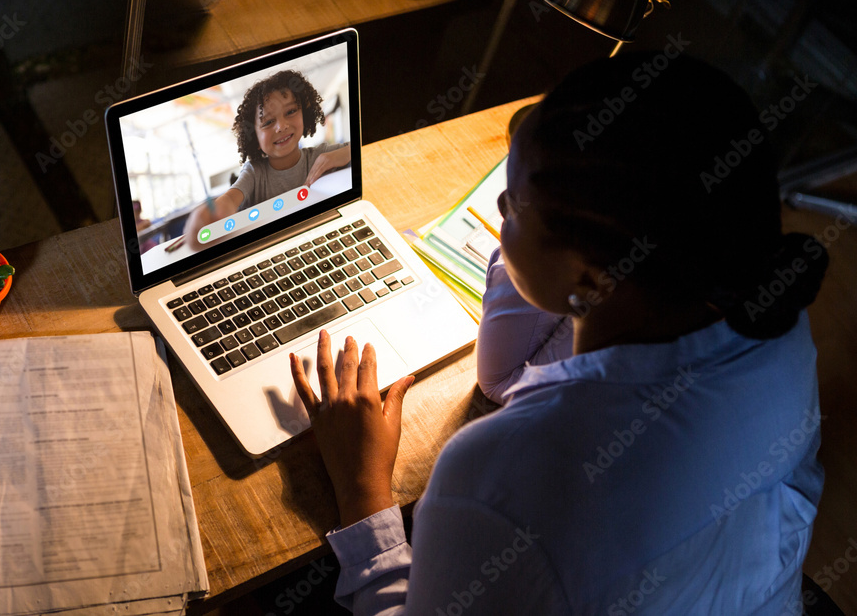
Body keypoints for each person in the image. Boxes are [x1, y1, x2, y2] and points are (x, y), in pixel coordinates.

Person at [288, 53, 829, 614]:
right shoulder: (774, 324)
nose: (497, 208)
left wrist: (363, 492)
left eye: (514, 207)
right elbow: (507, 373)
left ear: (591, 276)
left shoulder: (497, 482)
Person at [182, 70, 351, 241]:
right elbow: (230, 199)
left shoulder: (319, 156)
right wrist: (215, 213)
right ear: (255, 138)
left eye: (290, 111)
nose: (281, 126)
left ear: (304, 113)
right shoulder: (254, 173)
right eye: (269, 122)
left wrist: (340, 155)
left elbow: (360, 149)